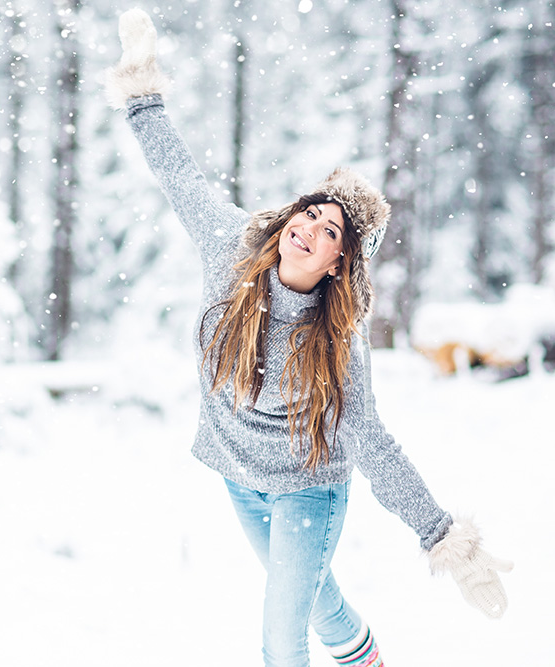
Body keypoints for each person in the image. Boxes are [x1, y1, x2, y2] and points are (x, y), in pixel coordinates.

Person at [105, 9, 512, 667]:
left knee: (280, 636)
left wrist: (444, 538)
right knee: (320, 606)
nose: (312, 229)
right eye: (312, 212)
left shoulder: (336, 339)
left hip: (306, 488)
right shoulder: (230, 247)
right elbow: (178, 174)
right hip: (239, 474)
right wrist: (142, 88)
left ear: (336, 265)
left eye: (331, 234)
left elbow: (372, 440)